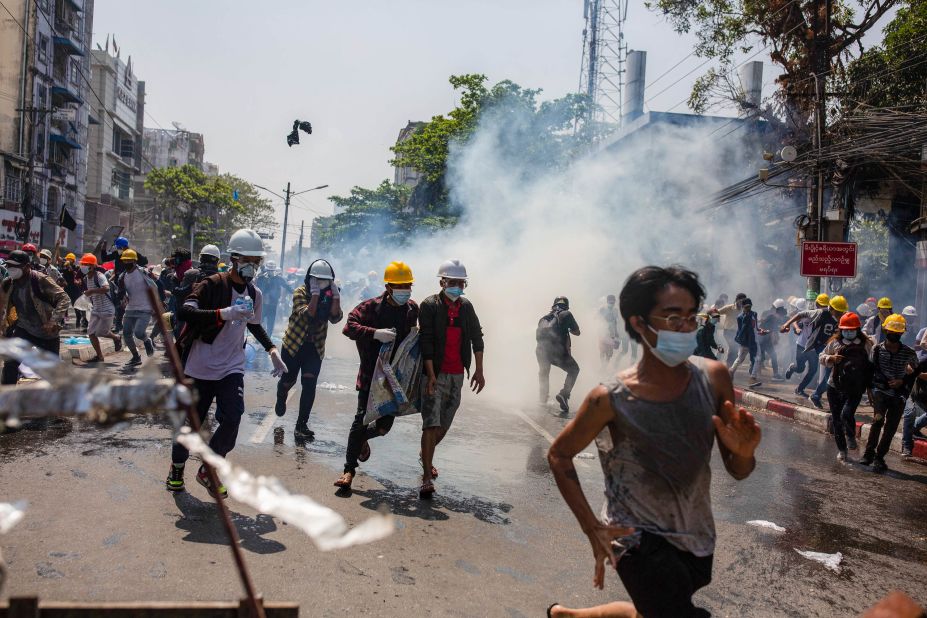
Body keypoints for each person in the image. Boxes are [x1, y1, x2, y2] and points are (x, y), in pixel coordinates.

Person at [547, 265, 760, 618]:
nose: (686, 327)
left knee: (655, 609)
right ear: (639, 323)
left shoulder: (714, 379)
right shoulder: (609, 399)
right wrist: (593, 529)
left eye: (691, 317)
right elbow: (559, 455)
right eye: (672, 317)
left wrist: (745, 453)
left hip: (696, 535)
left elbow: (738, 470)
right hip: (634, 538)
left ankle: (572, 616)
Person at [166, 228, 287, 498]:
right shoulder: (213, 285)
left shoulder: (256, 294)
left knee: (233, 417)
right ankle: (176, 468)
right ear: (234, 258)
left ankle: (208, 469)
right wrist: (224, 313)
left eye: (256, 262)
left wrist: (272, 349)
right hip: (200, 366)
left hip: (232, 366)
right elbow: (187, 311)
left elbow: (255, 326)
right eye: (248, 260)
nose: (252, 267)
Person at [334, 261, 419, 490]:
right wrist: (374, 334)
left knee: (383, 428)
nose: (405, 290)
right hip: (370, 375)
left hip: (394, 380)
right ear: (389, 286)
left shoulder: (412, 309)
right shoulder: (371, 307)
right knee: (361, 419)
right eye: (400, 286)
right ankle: (348, 470)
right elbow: (348, 327)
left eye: (408, 285)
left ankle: (362, 439)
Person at [418, 259, 485, 498]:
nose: (457, 287)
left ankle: (426, 454)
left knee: (444, 425)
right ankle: (426, 475)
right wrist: (431, 375)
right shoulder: (429, 306)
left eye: (461, 283)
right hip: (434, 375)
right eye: (453, 282)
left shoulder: (466, 307)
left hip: (458, 375)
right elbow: (426, 342)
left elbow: (477, 337)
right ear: (442, 282)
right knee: (431, 422)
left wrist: (478, 370)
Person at [275, 259, 343, 439]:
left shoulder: (330, 295)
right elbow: (308, 315)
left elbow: (336, 318)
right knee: (288, 381)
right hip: (294, 345)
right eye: (317, 280)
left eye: (325, 280)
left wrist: (335, 297)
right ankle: (281, 395)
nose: (321, 284)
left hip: (314, 346)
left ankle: (301, 425)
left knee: (309, 383)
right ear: (309, 280)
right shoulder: (300, 292)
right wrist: (315, 295)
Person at [0, 250, 71, 384]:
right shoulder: (8, 283)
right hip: (24, 329)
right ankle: (7, 398)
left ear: (27, 267)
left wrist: (53, 321)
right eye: (9, 266)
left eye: (15, 266)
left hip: (46, 332)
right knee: (10, 362)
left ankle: (58, 399)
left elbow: (64, 298)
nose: (11, 269)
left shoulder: (39, 279)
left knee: (52, 372)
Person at [863, 313, 918, 473]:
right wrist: (869, 391)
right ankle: (868, 453)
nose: (894, 335)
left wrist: (903, 380)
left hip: (899, 395)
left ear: (902, 333)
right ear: (886, 331)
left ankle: (880, 457)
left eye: (898, 333)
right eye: (891, 332)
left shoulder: (908, 353)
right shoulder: (877, 349)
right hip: (880, 391)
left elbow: (915, 372)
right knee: (878, 421)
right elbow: (870, 371)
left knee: (891, 428)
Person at [818, 312, 872, 461]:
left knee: (847, 414)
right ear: (841, 329)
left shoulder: (866, 344)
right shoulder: (835, 343)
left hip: (856, 388)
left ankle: (850, 437)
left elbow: (872, 365)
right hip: (835, 386)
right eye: (845, 329)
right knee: (836, 420)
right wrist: (831, 358)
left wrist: (870, 387)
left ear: (858, 329)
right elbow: (821, 357)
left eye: (852, 329)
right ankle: (842, 451)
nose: (848, 332)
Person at [781, 293, 841, 399]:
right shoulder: (815, 313)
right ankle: (792, 368)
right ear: (817, 304)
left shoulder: (831, 317)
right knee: (800, 368)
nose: (822, 308)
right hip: (802, 345)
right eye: (821, 305)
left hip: (814, 348)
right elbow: (797, 316)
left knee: (813, 370)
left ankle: (800, 389)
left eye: (825, 306)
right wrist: (792, 326)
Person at [536, 296, 581, 413]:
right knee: (574, 369)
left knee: (544, 372)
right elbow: (577, 332)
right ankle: (564, 394)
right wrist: (568, 329)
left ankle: (542, 399)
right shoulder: (566, 314)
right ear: (566, 305)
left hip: (541, 351)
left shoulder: (544, 318)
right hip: (556, 351)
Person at [113, 249, 157, 367]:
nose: (126, 262)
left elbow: (155, 286)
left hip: (145, 308)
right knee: (126, 333)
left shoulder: (143, 272)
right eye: (124, 260)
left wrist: (156, 304)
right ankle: (136, 357)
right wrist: (122, 300)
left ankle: (147, 341)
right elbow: (121, 293)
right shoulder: (122, 276)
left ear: (134, 261)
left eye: (129, 260)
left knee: (138, 332)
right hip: (130, 308)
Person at [79, 253, 122, 362]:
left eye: (86, 264)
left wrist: (92, 291)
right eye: (83, 264)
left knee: (101, 332)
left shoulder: (99, 276)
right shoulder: (86, 278)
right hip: (96, 309)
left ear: (93, 266)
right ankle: (100, 356)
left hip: (107, 309)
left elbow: (106, 288)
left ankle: (117, 338)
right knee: (91, 333)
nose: (84, 266)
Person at [809, 295, 850, 409]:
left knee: (833, 376)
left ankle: (818, 395)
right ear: (831, 308)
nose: (839, 313)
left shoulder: (843, 318)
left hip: (838, 348)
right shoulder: (823, 314)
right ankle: (817, 395)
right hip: (826, 348)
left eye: (841, 311)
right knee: (830, 377)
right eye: (838, 311)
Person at [729, 298, 767, 387]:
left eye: (750, 306)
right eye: (746, 307)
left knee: (757, 358)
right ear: (742, 307)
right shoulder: (740, 317)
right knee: (740, 359)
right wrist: (746, 317)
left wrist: (761, 331)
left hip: (754, 340)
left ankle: (752, 378)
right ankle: (730, 373)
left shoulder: (754, 314)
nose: (748, 308)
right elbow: (741, 330)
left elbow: (755, 328)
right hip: (746, 341)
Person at [255, 260, 291, 335]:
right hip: (263, 304)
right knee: (259, 322)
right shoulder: (261, 278)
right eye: (269, 270)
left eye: (272, 270)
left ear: (274, 270)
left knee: (270, 324)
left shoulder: (278, 279)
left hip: (273, 305)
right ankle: (258, 337)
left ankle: (268, 339)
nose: (270, 272)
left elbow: (287, 286)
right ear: (266, 269)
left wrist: (296, 291)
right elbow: (256, 289)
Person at [758, 299, 788, 381]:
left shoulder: (772, 316)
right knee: (761, 357)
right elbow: (769, 327)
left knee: (772, 356)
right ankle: (754, 374)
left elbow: (775, 327)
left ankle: (775, 375)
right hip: (762, 339)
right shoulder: (771, 316)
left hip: (766, 339)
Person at [60, 252, 88, 330]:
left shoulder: (76, 267)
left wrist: (71, 268)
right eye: (67, 259)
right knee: (63, 305)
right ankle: (62, 322)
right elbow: (58, 260)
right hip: (67, 289)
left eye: (70, 259)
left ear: (73, 260)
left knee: (76, 306)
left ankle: (79, 322)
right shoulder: (64, 267)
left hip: (75, 290)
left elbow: (77, 275)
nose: (68, 260)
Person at [597, 294, 620, 367]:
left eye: (613, 302)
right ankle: (602, 366)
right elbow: (596, 319)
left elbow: (615, 322)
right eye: (610, 302)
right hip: (602, 333)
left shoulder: (616, 310)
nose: (612, 304)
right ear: (607, 301)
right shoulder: (602, 309)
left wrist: (616, 333)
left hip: (612, 334)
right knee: (602, 350)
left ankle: (605, 367)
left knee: (610, 353)